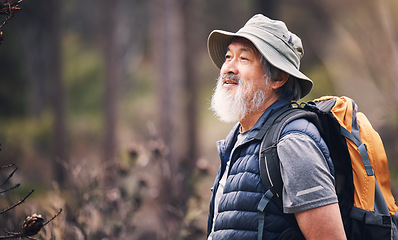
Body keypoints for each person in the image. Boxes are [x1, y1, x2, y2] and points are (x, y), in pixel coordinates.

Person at [206, 14, 346, 240]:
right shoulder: (238, 140)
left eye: (244, 59)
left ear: (278, 77)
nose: (228, 68)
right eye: (228, 56)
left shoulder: (293, 143)